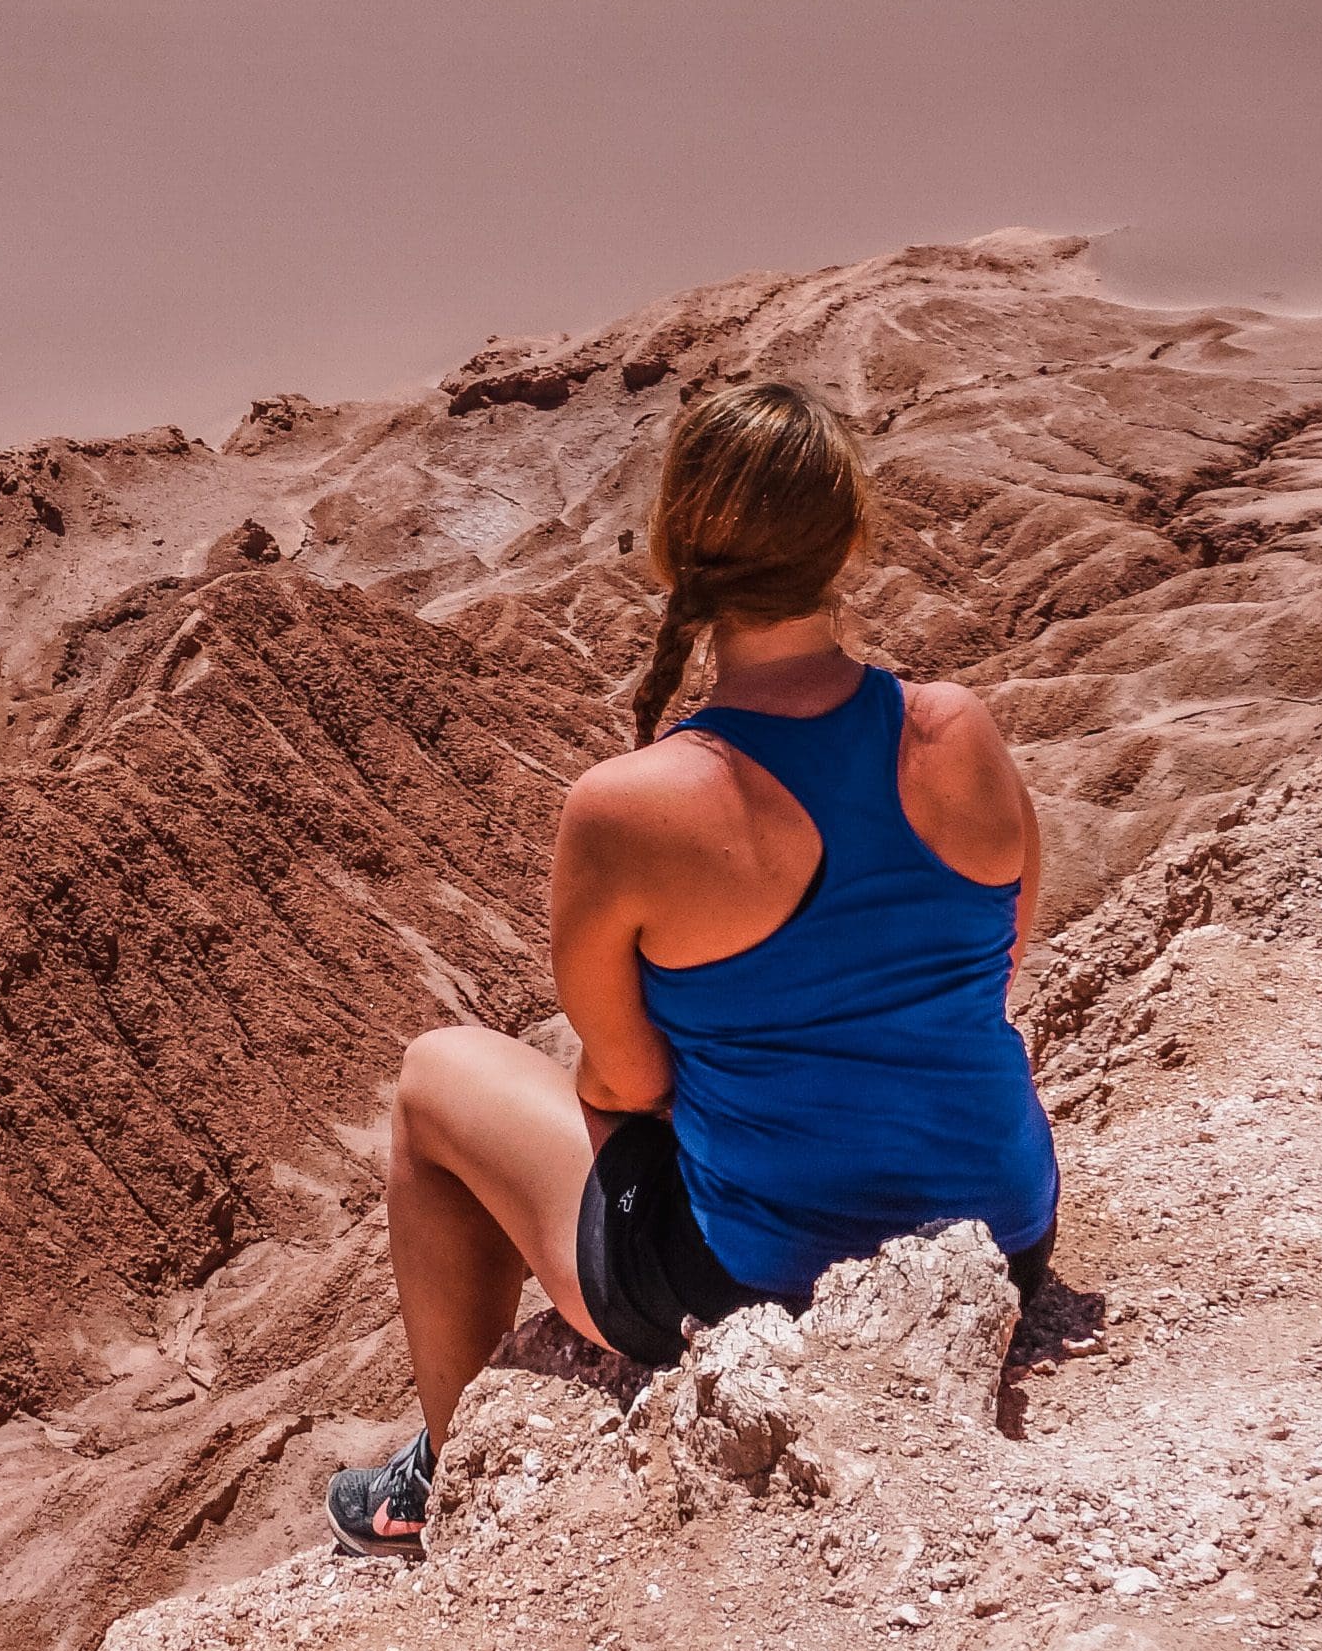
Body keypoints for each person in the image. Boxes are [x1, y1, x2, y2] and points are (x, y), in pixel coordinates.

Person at [329, 378, 1059, 1558]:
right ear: (851, 541)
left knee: (432, 1077)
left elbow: (624, 1084)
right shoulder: (960, 726)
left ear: (674, 551)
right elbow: (998, 956)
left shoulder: (632, 805)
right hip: (1008, 1241)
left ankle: (443, 1476)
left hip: (765, 1279)